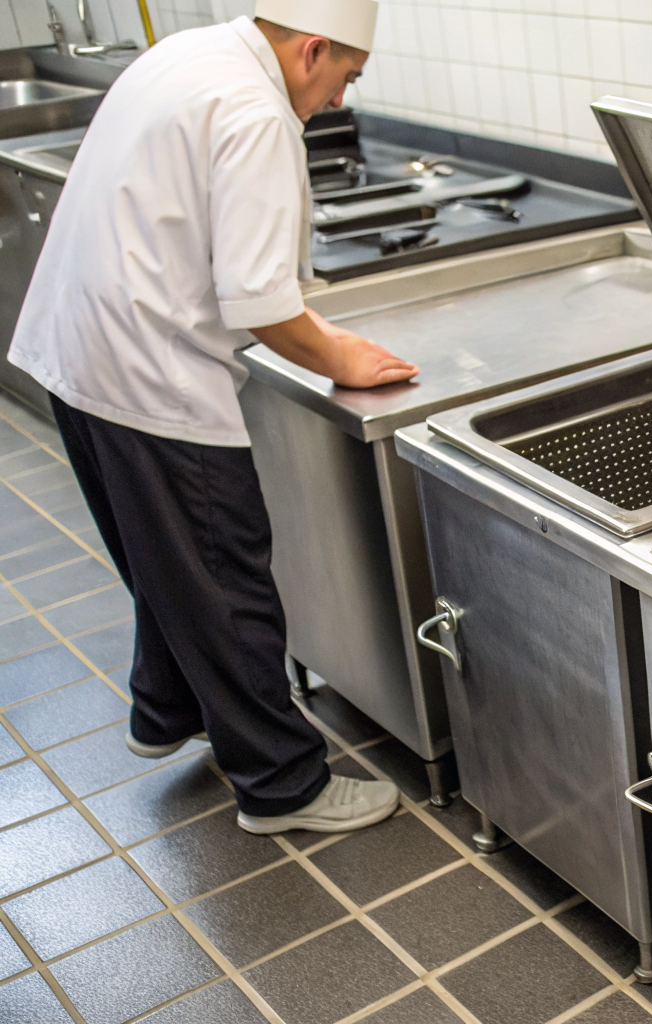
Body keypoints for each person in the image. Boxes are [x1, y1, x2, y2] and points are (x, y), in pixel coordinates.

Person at [8, 0, 419, 835]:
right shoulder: (257, 111)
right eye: (346, 76)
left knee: (166, 562)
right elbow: (261, 302)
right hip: (150, 379)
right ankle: (283, 785)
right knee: (226, 582)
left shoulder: (187, 56)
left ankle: (167, 710)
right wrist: (342, 356)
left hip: (75, 353)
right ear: (312, 49)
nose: (340, 99)